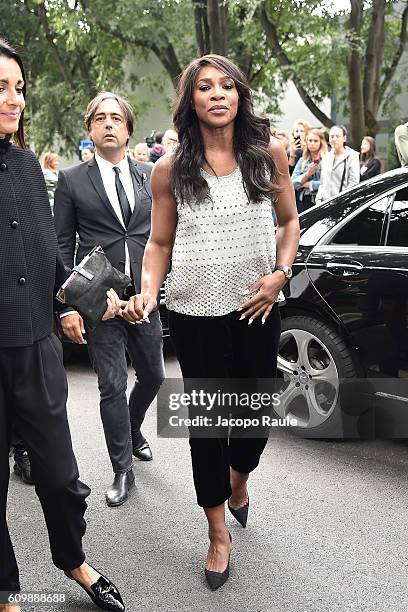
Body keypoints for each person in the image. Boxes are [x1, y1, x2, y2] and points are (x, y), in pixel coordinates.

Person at [121, 54, 299, 590]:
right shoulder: (169, 169)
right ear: (191, 101)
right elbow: (158, 243)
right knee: (207, 425)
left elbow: (289, 222)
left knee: (255, 415)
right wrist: (148, 292)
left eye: (227, 86)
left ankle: (238, 482)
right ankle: (217, 531)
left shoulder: (267, 154)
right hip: (194, 311)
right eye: (205, 87)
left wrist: (280, 274)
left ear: (240, 95)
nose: (217, 94)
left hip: (257, 305)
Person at [0, 38, 125, 612]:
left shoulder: (26, 164)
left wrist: (86, 301)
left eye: (18, 88)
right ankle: (5, 587)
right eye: (1, 87)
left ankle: (71, 559)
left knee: (59, 473)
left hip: (37, 347)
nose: (14, 100)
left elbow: (49, 253)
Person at [54, 92, 165, 508]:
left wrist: (153, 291)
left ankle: (133, 429)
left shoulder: (151, 174)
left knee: (153, 375)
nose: (108, 124)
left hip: (143, 299)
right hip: (99, 304)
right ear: (91, 129)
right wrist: (66, 305)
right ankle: (122, 469)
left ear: (128, 128)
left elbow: (160, 236)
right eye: (100, 118)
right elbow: (62, 246)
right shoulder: (71, 180)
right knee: (111, 386)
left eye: (116, 118)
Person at [315, 125, 360, 204]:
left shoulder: (352, 156)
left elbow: (353, 183)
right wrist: (318, 200)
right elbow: (322, 183)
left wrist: (343, 201)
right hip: (324, 205)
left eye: (337, 136)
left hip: (343, 204)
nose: (334, 139)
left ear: (344, 138)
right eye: (332, 136)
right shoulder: (326, 157)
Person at [291, 128, 327, 213]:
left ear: (321, 142)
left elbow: (328, 184)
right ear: (306, 142)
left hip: (322, 199)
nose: (312, 143)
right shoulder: (302, 160)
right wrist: (308, 174)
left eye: (315, 141)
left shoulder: (327, 159)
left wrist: (308, 184)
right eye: (310, 140)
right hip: (304, 201)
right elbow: (292, 183)